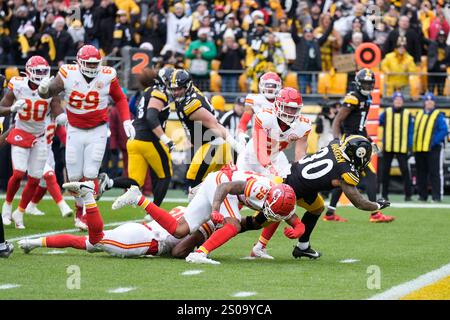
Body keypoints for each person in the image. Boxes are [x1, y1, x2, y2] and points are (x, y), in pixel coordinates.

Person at [112, 166, 303, 265]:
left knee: (179, 231)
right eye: (273, 210)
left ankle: (138, 199)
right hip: (221, 184)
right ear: (269, 197)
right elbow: (225, 187)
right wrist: (215, 209)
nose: (273, 216)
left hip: (221, 188)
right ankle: (200, 253)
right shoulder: (259, 189)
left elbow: (296, 222)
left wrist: (298, 231)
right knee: (233, 225)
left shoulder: (283, 202)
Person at [37, 45, 135, 230]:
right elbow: (49, 93)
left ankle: (87, 214)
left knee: (90, 174)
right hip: (74, 128)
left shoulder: (107, 74)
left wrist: (126, 121)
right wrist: (43, 90)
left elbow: (121, 99)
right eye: (88, 63)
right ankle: (79, 210)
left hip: (98, 130)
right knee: (74, 176)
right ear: (79, 62)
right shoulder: (68, 73)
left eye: (95, 63)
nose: (92, 67)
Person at [18, 181, 215, 259]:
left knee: (84, 243)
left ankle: (31, 243)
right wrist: (201, 244)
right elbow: (178, 251)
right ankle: (88, 197)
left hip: (138, 231)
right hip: (144, 241)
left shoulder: (182, 209)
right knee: (97, 240)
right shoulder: (204, 222)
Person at [283, 135, 391, 259]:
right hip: (289, 188)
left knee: (317, 208)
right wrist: (378, 205)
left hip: (293, 175)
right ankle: (259, 248)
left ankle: (302, 247)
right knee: (262, 219)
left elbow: (336, 143)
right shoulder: (345, 172)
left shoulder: (335, 144)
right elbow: (359, 203)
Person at [1, 56, 66, 229]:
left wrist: (61, 117)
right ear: (28, 71)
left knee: (35, 178)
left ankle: (20, 212)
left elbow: (56, 106)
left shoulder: (51, 88)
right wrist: (11, 108)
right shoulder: (18, 84)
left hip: (40, 136)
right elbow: (1, 107)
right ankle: (7, 207)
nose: (41, 74)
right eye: (37, 71)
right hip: (21, 132)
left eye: (44, 71)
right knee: (18, 173)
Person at [326, 68, 394, 223]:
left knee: (343, 176)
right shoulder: (353, 98)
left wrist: (369, 140)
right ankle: (375, 213)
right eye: (365, 83)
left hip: (359, 140)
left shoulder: (367, 98)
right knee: (370, 174)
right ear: (357, 83)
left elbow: (361, 125)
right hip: (351, 142)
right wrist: (336, 140)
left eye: (370, 83)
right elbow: (338, 120)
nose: (368, 86)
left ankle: (330, 213)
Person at [98, 67, 173, 207]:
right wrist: (165, 139)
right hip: (149, 139)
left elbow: (137, 111)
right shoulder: (158, 93)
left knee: (136, 182)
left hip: (134, 140)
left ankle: (109, 182)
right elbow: (151, 117)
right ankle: (155, 213)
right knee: (165, 175)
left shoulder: (145, 93)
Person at [167, 69, 244, 189]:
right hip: (212, 144)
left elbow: (214, 124)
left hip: (212, 145)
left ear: (187, 86)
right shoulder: (190, 94)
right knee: (223, 182)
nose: (175, 92)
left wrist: (236, 146)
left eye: (178, 89)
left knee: (194, 181)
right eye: (173, 89)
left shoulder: (189, 105)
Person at [237, 87, 310, 179]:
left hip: (276, 157)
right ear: (277, 105)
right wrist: (272, 171)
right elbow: (260, 151)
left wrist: (298, 173)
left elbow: (300, 154)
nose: (290, 112)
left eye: (293, 109)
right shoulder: (265, 118)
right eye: (287, 107)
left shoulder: (302, 125)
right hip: (251, 157)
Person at [25, 117, 73, 217]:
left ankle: (31, 206)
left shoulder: (55, 114)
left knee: (44, 184)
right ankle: (63, 207)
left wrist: (72, 147)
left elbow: (61, 133)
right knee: (49, 175)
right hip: (34, 150)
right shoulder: (38, 111)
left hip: (48, 152)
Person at [413, 92, 448, 202]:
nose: (429, 102)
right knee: (421, 173)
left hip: (433, 149)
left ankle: (437, 196)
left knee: (435, 172)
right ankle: (422, 195)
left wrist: (433, 142)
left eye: (431, 100)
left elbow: (444, 130)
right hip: (419, 148)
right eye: (427, 100)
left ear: (434, 103)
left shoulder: (438, 115)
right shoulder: (419, 114)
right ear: (424, 102)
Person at [379, 92, 413, 201]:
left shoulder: (407, 114)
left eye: (400, 99)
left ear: (403, 101)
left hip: (402, 147)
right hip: (388, 147)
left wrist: (410, 145)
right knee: (385, 171)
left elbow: (411, 131)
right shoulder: (386, 112)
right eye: (396, 99)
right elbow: (377, 122)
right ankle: (384, 194)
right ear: (393, 101)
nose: (398, 101)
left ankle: (408, 195)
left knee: (405, 171)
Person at [236, 72, 282, 145]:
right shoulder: (254, 99)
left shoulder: (282, 101)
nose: (270, 89)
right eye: (267, 86)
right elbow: (243, 121)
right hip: (257, 142)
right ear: (261, 85)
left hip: (277, 143)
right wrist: (241, 133)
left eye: (273, 86)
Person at [220, 97, 245, 162]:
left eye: (243, 105)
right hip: (230, 146)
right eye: (239, 105)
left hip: (243, 147)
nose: (241, 107)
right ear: (235, 105)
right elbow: (219, 127)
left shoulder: (247, 117)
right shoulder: (228, 115)